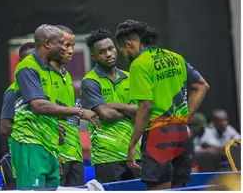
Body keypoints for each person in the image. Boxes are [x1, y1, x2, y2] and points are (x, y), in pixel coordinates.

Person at [115, 20, 210, 190]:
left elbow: (145, 107)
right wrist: (185, 116)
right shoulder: (175, 57)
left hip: (158, 137)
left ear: (129, 44)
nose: (125, 55)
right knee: (178, 188)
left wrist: (132, 145)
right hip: (181, 133)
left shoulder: (139, 65)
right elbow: (201, 85)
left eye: (123, 51)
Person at [10, 24, 100, 190]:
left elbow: (54, 111)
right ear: (47, 44)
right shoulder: (27, 67)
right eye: (62, 43)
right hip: (30, 142)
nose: (67, 49)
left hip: (51, 146)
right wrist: (79, 112)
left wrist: (56, 150)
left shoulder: (55, 73)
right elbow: (38, 105)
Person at [81, 28, 141, 183]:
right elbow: (105, 115)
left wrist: (116, 105)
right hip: (106, 156)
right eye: (102, 52)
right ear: (93, 56)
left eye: (111, 49)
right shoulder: (90, 81)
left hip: (133, 152)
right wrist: (129, 109)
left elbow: (142, 111)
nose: (108, 54)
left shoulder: (129, 76)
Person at [50, 25, 84, 186]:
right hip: (57, 154)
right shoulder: (42, 74)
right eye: (66, 45)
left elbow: (68, 112)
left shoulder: (67, 75)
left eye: (73, 46)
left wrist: (75, 115)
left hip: (75, 153)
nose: (70, 51)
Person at [0, 41, 35, 190]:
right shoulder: (13, 91)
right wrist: (36, 128)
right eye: (29, 60)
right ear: (20, 62)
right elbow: (5, 127)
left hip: (41, 159)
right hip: (21, 161)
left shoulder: (41, 90)